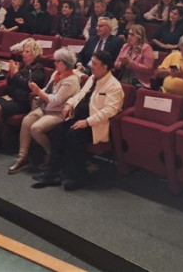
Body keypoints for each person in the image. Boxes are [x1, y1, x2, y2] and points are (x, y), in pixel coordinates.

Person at [32, 50, 124, 191]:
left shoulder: (114, 86)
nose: (90, 65)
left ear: (105, 67)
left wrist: (87, 122)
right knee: (59, 129)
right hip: (79, 117)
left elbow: (109, 111)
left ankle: (79, 176)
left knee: (73, 134)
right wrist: (69, 104)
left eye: (94, 63)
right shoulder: (93, 78)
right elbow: (80, 95)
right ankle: (54, 171)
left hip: (94, 124)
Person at [8, 48, 81, 175]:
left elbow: (56, 100)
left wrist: (37, 91)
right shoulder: (56, 74)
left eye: (57, 61)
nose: (54, 63)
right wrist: (38, 92)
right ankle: (22, 157)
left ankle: (51, 154)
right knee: (27, 121)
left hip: (59, 112)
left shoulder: (71, 80)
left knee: (36, 128)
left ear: (66, 63)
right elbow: (47, 90)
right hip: (46, 107)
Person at [0, 40, 46, 154]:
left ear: (35, 54)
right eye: (23, 51)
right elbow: (10, 82)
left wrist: (16, 73)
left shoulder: (38, 69)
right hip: (12, 96)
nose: (23, 53)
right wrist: (11, 74)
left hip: (23, 101)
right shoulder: (22, 65)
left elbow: (27, 86)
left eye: (27, 52)